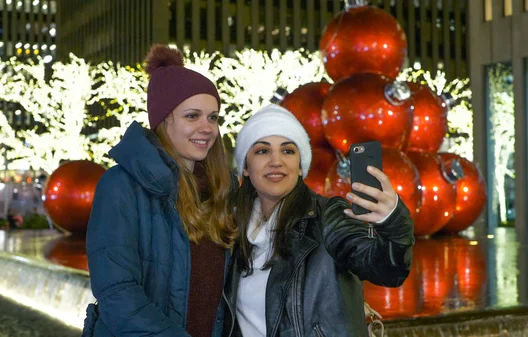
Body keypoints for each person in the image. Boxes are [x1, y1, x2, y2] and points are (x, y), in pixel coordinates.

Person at [83, 45, 237, 337]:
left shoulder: (223, 191)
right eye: (192, 116)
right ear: (164, 121)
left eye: (213, 117)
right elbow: (118, 294)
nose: (207, 128)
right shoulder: (120, 186)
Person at [222, 104, 414, 337]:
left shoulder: (327, 216)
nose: (276, 161)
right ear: (245, 167)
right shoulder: (230, 229)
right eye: (262, 151)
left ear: (301, 167)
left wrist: (392, 221)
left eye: (288, 151)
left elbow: (387, 269)